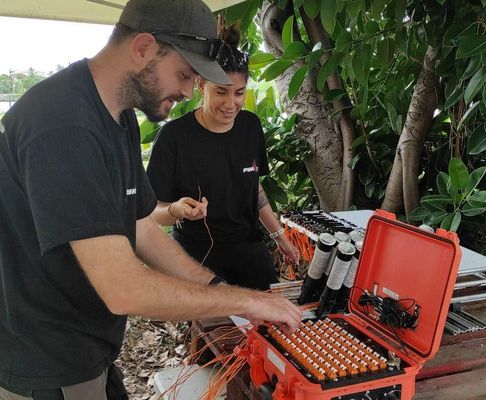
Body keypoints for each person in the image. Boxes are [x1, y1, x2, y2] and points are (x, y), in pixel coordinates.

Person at [0, 0, 301, 399]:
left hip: (92, 346)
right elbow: (123, 287)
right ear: (143, 47)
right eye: (183, 73)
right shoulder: (62, 124)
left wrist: (214, 285)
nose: (186, 89)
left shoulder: (117, 115)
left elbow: (141, 226)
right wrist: (244, 300)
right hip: (49, 360)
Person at [146, 26, 300, 291]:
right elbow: (152, 212)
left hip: (247, 246)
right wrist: (176, 210)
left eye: (239, 93)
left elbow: (253, 186)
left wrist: (279, 236)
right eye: (221, 91)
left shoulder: (250, 126)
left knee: (268, 321)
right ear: (201, 85)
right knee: (217, 328)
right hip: (197, 254)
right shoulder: (173, 137)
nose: (231, 104)